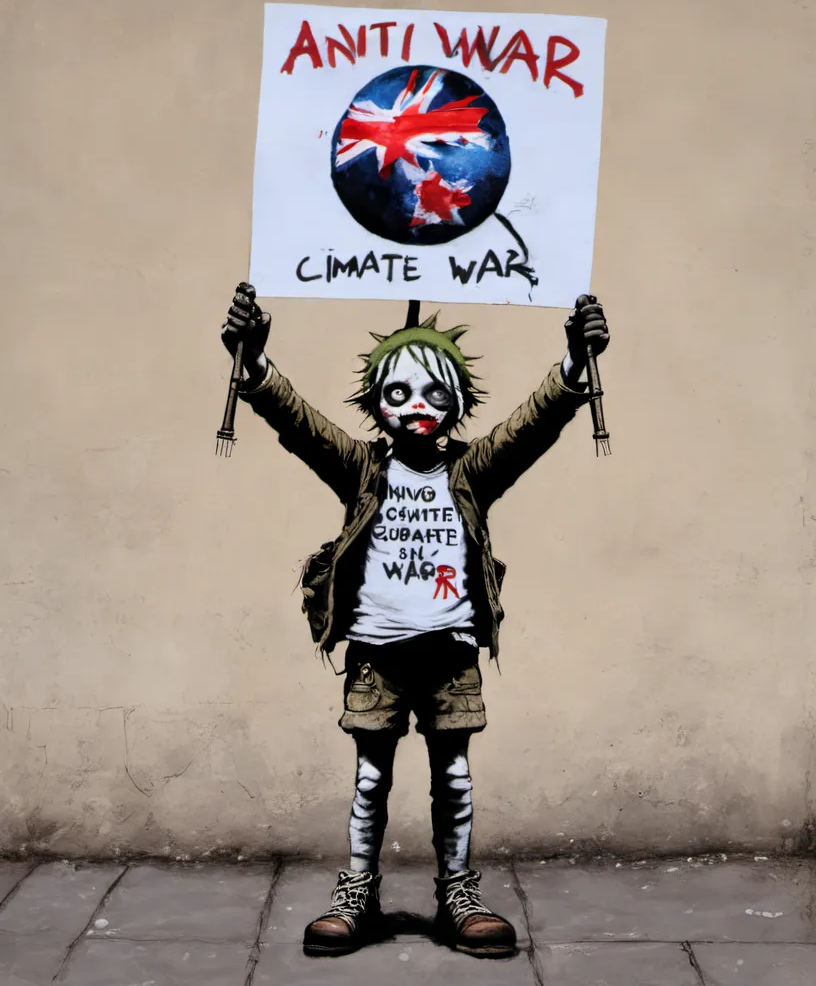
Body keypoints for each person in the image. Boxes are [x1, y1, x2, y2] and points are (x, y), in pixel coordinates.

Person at [221, 286, 609, 958]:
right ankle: (359, 890)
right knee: (371, 779)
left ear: (458, 403)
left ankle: (458, 890)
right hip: (377, 654)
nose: (417, 406)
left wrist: (574, 367)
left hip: (451, 655)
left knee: (453, 778)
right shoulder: (363, 469)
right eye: (398, 394)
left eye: (434, 393)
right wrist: (254, 366)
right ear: (377, 405)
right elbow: (300, 423)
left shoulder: (471, 471)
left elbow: (531, 426)